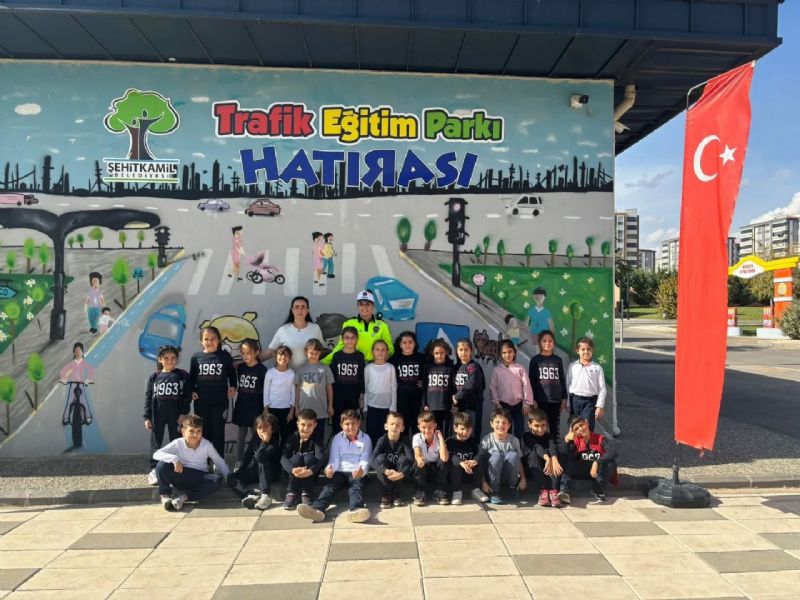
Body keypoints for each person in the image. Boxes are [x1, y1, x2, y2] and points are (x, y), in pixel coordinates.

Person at [297, 409, 372, 523]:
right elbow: (334, 458)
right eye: (347, 424)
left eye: (353, 423)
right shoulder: (337, 438)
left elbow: (365, 458)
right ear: (341, 425)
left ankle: (356, 510)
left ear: (359, 423)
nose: (350, 427)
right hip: (339, 471)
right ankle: (317, 510)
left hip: (356, 472)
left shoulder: (366, 438)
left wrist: (362, 470)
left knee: (355, 489)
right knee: (329, 488)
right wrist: (329, 468)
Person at [153, 413, 231, 511]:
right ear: (183, 432)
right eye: (191, 431)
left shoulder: (206, 445)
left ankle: (184, 498)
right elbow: (157, 454)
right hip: (180, 474)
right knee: (161, 465)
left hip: (198, 477)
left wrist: (229, 476)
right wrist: (174, 459)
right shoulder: (178, 443)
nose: (195, 434)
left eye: (199, 431)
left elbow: (219, 461)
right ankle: (165, 495)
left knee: (218, 480)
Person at [144, 345, 191, 486]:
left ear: (177, 359)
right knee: (156, 442)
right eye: (166, 358)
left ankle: (175, 469)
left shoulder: (182, 375)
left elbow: (187, 396)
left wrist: (184, 413)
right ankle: (154, 469)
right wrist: (147, 417)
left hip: (176, 415)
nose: (170, 361)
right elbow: (148, 397)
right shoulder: (154, 377)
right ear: (160, 359)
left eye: (173, 358)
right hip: (158, 415)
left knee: (176, 441)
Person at [189, 326, 237, 457]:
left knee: (218, 432)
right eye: (206, 339)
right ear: (201, 341)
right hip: (201, 402)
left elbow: (232, 374)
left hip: (220, 402)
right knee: (203, 432)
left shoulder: (225, 356)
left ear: (219, 340)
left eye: (213, 339)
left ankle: (218, 461)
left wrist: (233, 386)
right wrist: (192, 390)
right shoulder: (196, 357)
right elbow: (192, 377)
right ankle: (204, 461)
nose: (210, 342)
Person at [323, 290, 393, 363]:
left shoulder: (382, 325)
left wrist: (379, 363)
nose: (364, 307)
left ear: (373, 306)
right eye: (361, 304)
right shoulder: (349, 324)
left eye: (367, 304)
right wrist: (324, 362)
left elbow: (390, 349)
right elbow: (340, 346)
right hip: (353, 364)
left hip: (374, 364)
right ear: (357, 306)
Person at [560, 415, 618, 503]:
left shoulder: (600, 438)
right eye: (576, 429)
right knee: (567, 462)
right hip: (583, 470)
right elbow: (564, 456)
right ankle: (564, 490)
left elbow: (612, 452)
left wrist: (597, 462)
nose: (580, 429)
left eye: (581, 425)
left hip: (598, 472)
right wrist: (566, 440)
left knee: (612, 463)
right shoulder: (575, 441)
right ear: (573, 432)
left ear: (587, 423)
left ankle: (597, 488)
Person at [229, 413, 280, 510]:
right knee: (231, 477)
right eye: (259, 428)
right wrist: (241, 470)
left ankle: (265, 496)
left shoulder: (275, 442)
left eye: (266, 427)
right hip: (256, 471)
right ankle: (249, 496)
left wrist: (265, 442)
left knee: (262, 460)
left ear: (272, 429)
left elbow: (260, 457)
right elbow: (248, 454)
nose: (262, 430)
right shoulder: (256, 438)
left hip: (271, 473)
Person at [478, 407, 527, 505]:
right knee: (496, 456)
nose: (501, 425)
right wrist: (483, 482)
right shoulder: (486, 440)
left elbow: (518, 461)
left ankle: (511, 489)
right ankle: (494, 491)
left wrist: (523, 478)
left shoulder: (514, 441)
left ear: (509, 425)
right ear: (491, 424)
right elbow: (481, 463)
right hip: (491, 476)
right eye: (497, 422)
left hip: (506, 476)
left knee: (513, 455)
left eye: (504, 422)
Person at [261, 296, 324, 370]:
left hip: (310, 375)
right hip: (288, 375)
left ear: (307, 310)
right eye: (297, 307)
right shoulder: (283, 330)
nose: (300, 310)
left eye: (303, 307)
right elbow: (270, 352)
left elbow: (322, 351)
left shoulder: (315, 328)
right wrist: (252, 360)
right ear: (292, 310)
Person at [489, 339, 534, 438]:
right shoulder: (497, 370)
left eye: (510, 352)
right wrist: (497, 403)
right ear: (500, 354)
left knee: (519, 430)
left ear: (514, 353)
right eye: (504, 352)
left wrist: (527, 404)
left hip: (518, 405)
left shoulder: (520, 368)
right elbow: (493, 388)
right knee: (505, 430)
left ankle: (518, 446)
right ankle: (506, 447)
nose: (507, 355)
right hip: (503, 406)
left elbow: (526, 386)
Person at [280, 409, 325, 510]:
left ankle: (306, 493)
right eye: (303, 424)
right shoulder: (292, 438)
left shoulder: (317, 439)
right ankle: (291, 493)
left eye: (310, 425)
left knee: (308, 458)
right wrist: (292, 470)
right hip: (292, 475)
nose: (306, 428)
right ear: (297, 424)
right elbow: (283, 457)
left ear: (315, 425)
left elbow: (320, 458)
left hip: (310, 475)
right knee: (297, 458)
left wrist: (310, 471)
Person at [232, 338, 267, 465]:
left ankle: (255, 461)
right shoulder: (241, 367)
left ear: (256, 352)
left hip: (255, 406)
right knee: (241, 434)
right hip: (242, 405)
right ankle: (239, 461)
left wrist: (265, 408)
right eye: (243, 353)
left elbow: (265, 390)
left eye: (249, 353)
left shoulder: (262, 369)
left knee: (255, 434)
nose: (245, 356)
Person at [529, 330, 568, 443]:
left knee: (554, 426)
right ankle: (542, 448)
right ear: (540, 343)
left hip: (556, 400)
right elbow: (531, 381)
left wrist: (564, 398)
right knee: (541, 426)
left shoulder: (557, 360)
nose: (547, 343)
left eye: (550, 341)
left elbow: (562, 379)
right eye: (544, 341)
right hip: (541, 400)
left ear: (554, 343)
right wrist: (533, 399)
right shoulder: (535, 360)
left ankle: (554, 448)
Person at [295, 339, 334, 447]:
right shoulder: (301, 369)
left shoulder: (325, 368)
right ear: (305, 352)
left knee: (319, 438)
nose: (313, 355)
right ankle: (304, 456)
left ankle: (318, 457)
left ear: (320, 353)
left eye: (316, 353)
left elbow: (329, 388)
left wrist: (330, 406)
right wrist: (296, 407)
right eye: (311, 353)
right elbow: (297, 389)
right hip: (304, 410)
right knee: (304, 437)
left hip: (321, 410)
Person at [370, 411, 413, 508]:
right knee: (380, 459)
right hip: (387, 471)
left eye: (398, 425)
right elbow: (372, 460)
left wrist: (402, 474)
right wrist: (385, 470)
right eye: (392, 424)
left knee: (404, 460)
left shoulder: (405, 440)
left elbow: (411, 460)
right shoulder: (382, 440)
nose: (394, 427)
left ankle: (397, 493)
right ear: (386, 426)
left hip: (399, 472)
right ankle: (386, 494)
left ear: (402, 428)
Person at [522, 409, 563, 508]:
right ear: (529, 424)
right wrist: (547, 458)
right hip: (533, 468)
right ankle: (543, 491)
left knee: (555, 455)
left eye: (543, 425)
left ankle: (553, 491)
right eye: (536, 425)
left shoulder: (549, 436)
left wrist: (553, 458)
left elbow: (552, 446)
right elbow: (536, 447)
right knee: (534, 454)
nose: (540, 429)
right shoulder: (527, 436)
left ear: (547, 424)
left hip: (547, 469)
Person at [330, 326, 365, 437]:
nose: (349, 340)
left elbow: (362, 377)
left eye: (352, 337)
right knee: (338, 420)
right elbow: (332, 378)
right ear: (342, 339)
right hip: (338, 393)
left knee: (352, 420)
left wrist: (361, 396)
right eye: (347, 337)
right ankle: (338, 442)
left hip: (354, 393)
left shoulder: (360, 356)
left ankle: (352, 442)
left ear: (356, 339)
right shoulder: (337, 356)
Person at [566, 336, 607, 432]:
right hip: (574, 401)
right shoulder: (572, 366)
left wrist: (600, 406)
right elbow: (568, 385)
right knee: (574, 426)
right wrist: (568, 402)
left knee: (586, 427)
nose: (586, 351)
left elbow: (602, 389)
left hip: (590, 402)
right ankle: (574, 442)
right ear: (577, 351)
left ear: (592, 350)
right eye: (583, 349)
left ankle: (587, 442)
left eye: (588, 349)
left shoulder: (597, 368)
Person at [446, 411, 487, 505]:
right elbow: (449, 455)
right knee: (455, 464)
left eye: (468, 429)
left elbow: (481, 452)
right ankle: (456, 492)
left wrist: (475, 461)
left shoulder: (472, 442)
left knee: (479, 461)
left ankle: (476, 490)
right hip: (454, 476)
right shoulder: (450, 441)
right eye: (462, 429)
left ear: (471, 430)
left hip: (469, 474)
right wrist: (460, 462)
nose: (465, 432)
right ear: (455, 428)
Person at [389, 331, 425, 434]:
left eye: (410, 342)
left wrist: (424, 382)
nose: (407, 345)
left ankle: (416, 443)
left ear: (415, 344)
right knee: (403, 423)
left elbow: (427, 374)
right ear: (400, 345)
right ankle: (403, 444)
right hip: (401, 398)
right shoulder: (394, 359)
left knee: (416, 424)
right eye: (404, 342)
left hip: (417, 398)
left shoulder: (422, 358)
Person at [411, 410, 449, 506]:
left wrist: (440, 437)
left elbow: (444, 458)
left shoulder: (438, 439)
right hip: (423, 467)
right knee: (417, 464)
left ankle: (439, 492)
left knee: (443, 463)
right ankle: (420, 492)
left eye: (430, 427)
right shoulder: (417, 437)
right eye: (424, 427)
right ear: (419, 427)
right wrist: (419, 459)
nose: (427, 430)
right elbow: (417, 453)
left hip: (435, 470)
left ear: (435, 426)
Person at [263, 345, 296, 452]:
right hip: (272, 409)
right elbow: (266, 391)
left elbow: (293, 393)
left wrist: (292, 410)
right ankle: (274, 457)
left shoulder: (291, 374)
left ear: (290, 358)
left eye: (286, 355)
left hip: (286, 409)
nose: (283, 357)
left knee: (286, 435)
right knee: (273, 435)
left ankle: (284, 457)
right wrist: (266, 409)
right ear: (275, 357)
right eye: (280, 355)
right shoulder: (270, 373)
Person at [364, 340, 397, 445]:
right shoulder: (368, 368)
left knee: (384, 432)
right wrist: (365, 406)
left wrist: (393, 407)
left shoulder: (390, 368)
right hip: (372, 405)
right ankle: (372, 452)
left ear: (387, 352)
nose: (380, 352)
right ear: (373, 351)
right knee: (372, 431)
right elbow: (365, 388)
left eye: (383, 350)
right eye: (377, 349)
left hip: (386, 407)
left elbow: (394, 388)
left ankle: (383, 452)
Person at [453, 338, 486, 440]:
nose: (463, 352)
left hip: (473, 406)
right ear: (457, 351)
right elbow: (453, 386)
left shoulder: (474, 367)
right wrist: (454, 404)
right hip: (460, 406)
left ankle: (474, 450)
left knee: (472, 431)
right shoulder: (456, 367)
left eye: (466, 349)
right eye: (461, 350)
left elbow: (472, 384)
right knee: (460, 432)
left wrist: (456, 397)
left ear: (471, 351)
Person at [421, 338, 454, 438]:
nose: (439, 355)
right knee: (431, 433)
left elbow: (453, 388)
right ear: (432, 353)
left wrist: (453, 404)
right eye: (436, 353)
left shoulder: (450, 368)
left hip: (445, 407)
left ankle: (444, 448)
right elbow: (424, 388)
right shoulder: (428, 368)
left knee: (445, 434)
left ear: (446, 352)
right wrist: (424, 404)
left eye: (442, 353)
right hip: (431, 407)